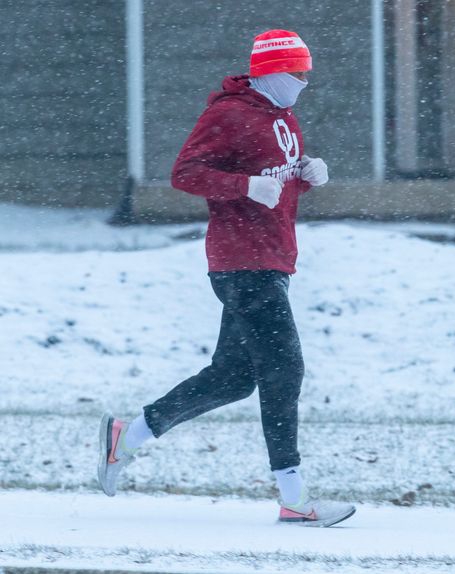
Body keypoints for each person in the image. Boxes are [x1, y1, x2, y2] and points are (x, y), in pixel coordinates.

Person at [97, 29, 355, 527]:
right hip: (242, 263)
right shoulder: (228, 114)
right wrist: (244, 186)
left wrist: (305, 173)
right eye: (296, 73)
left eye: (305, 74)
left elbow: (274, 184)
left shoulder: (284, 119)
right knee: (285, 369)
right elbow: (185, 173)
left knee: (234, 378)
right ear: (270, 72)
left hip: (273, 259)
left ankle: (125, 439)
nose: (303, 82)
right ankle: (294, 497)